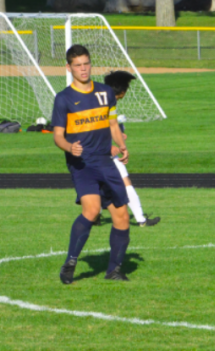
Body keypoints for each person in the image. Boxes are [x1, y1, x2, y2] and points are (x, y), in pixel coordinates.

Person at [52, 44, 131, 283]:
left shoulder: (106, 92)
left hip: (106, 162)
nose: (83, 69)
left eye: (86, 64)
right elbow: (57, 136)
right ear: (69, 68)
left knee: (122, 216)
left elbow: (113, 125)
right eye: (77, 65)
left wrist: (123, 147)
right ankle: (71, 262)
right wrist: (69, 147)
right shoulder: (64, 98)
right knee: (92, 210)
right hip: (82, 163)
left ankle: (114, 271)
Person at [103, 70, 160, 228]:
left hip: (97, 150)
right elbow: (97, 128)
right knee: (124, 182)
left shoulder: (103, 100)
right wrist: (112, 146)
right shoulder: (106, 103)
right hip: (101, 151)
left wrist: (120, 139)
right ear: (122, 91)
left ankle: (95, 215)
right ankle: (141, 219)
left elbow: (110, 126)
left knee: (100, 184)